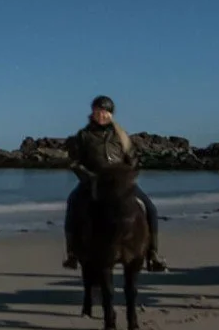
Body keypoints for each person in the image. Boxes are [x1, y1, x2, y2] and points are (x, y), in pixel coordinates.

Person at [61, 96, 167, 272]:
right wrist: (89, 177)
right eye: (98, 111)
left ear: (111, 114)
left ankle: (153, 254)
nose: (102, 115)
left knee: (150, 208)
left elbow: (132, 159)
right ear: (93, 112)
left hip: (120, 183)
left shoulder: (121, 135)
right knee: (73, 203)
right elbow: (75, 162)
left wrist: (127, 175)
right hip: (94, 182)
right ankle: (72, 253)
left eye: (106, 112)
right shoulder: (84, 135)